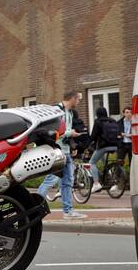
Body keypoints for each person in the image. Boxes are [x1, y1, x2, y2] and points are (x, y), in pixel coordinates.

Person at [37, 91, 87, 219]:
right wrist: (71, 133)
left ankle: (68, 212)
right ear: (73, 98)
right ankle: (34, 208)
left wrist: (72, 146)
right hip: (56, 152)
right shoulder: (56, 111)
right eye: (78, 99)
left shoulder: (69, 113)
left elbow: (65, 132)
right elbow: (55, 131)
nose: (79, 102)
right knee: (51, 180)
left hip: (65, 151)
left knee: (67, 182)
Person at [88, 106, 121, 193]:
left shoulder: (98, 121)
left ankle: (96, 183)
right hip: (114, 146)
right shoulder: (113, 121)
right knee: (104, 162)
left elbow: (93, 136)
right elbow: (119, 133)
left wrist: (88, 143)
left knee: (92, 163)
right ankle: (113, 181)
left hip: (103, 146)